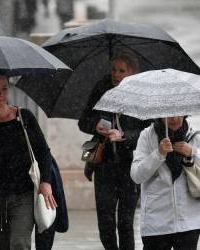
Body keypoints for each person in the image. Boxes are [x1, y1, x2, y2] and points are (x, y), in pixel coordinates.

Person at [0, 69, 57, 250]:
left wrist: (46, 182)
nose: (0, 94)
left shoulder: (23, 118)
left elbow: (43, 152)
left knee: (20, 244)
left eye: (4, 89)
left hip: (22, 194)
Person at [78, 50, 148, 250]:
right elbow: (83, 121)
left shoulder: (141, 95)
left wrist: (124, 135)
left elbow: (149, 131)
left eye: (121, 70)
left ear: (132, 73)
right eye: (113, 70)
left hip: (130, 166)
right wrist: (96, 125)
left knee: (125, 222)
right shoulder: (102, 87)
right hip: (104, 164)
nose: (116, 75)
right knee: (105, 222)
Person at [131, 116, 200, 250]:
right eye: (171, 115)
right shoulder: (147, 136)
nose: (175, 119)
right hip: (156, 223)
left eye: (179, 113)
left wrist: (192, 152)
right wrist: (158, 154)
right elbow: (136, 175)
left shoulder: (194, 135)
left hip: (189, 221)